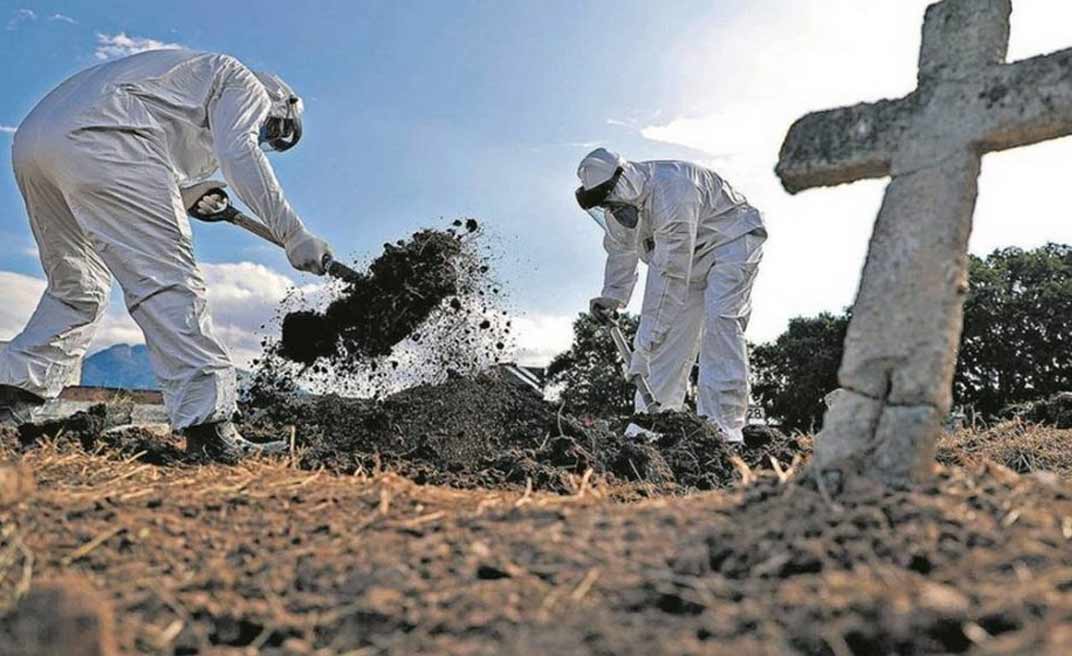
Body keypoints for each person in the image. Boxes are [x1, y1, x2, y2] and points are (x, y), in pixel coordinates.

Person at [0, 49, 333, 461]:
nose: (266, 140)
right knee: (170, 281)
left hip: (36, 143)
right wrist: (294, 233)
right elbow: (238, 151)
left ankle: (10, 396)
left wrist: (191, 193)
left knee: (78, 287)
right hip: (108, 135)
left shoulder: (182, 83)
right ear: (279, 100)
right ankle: (211, 431)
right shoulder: (241, 80)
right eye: (273, 132)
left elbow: (146, 161)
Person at [575, 148, 766, 443]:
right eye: (605, 207)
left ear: (623, 180)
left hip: (730, 241)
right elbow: (621, 251)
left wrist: (643, 347)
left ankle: (722, 430)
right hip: (688, 261)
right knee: (669, 341)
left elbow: (669, 276)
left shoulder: (674, 190)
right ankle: (651, 428)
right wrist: (612, 296)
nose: (612, 212)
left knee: (721, 322)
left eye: (612, 203)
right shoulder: (617, 207)